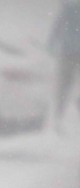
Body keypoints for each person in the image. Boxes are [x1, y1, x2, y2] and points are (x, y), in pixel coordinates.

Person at [49, 0, 80, 128]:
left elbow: (56, 29)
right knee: (65, 84)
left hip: (67, 52)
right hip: (71, 51)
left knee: (64, 86)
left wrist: (50, 45)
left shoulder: (66, 10)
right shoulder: (69, 10)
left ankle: (58, 116)